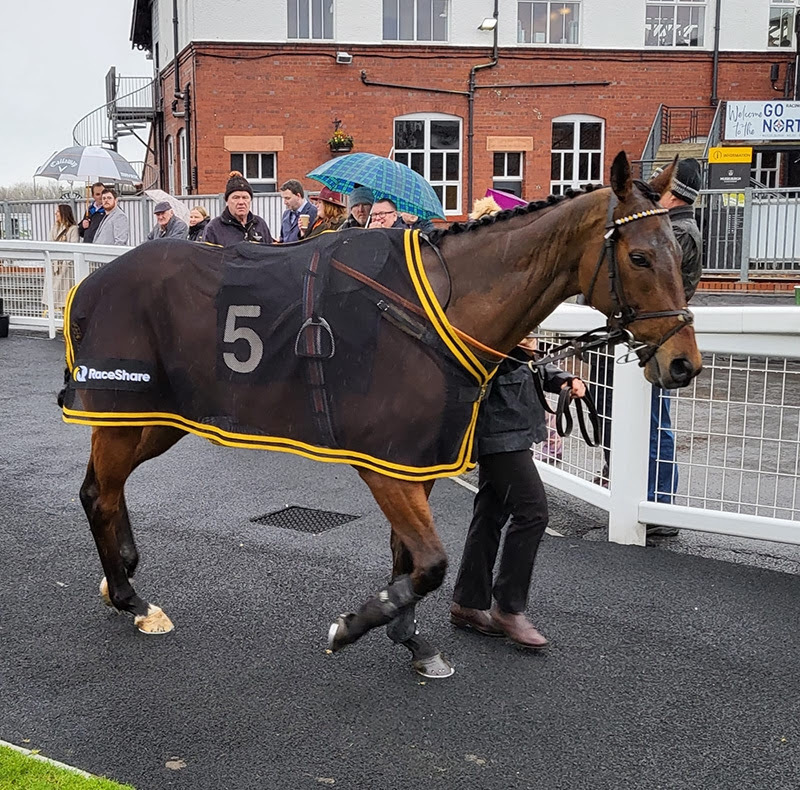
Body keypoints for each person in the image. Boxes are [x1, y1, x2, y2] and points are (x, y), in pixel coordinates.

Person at [451, 334, 588, 649]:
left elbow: (530, 364)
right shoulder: (492, 310)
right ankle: (509, 609)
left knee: (490, 513)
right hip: (499, 430)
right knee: (533, 513)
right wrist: (516, 343)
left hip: (507, 428)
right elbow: (490, 361)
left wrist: (564, 379)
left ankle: (468, 604)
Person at [592, 158, 703, 539]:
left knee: (655, 423)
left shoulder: (675, 231)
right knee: (637, 418)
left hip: (655, 336)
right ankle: (631, 487)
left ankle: (659, 502)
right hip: (649, 333)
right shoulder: (674, 227)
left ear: (671, 194)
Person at [203, 171, 273, 247]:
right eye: (236, 198)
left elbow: (270, 254)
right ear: (227, 200)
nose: (241, 202)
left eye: (245, 197)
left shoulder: (260, 224)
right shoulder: (214, 228)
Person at [42, 204, 79, 315]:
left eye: (58, 211)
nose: (56, 214)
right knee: (54, 294)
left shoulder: (73, 229)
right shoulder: (55, 227)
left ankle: (66, 320)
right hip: (54, 265)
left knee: (65, 295)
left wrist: (65, 263)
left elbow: (74, 246)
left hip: (66, 267)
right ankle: (55, 320)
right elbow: (50, 243)